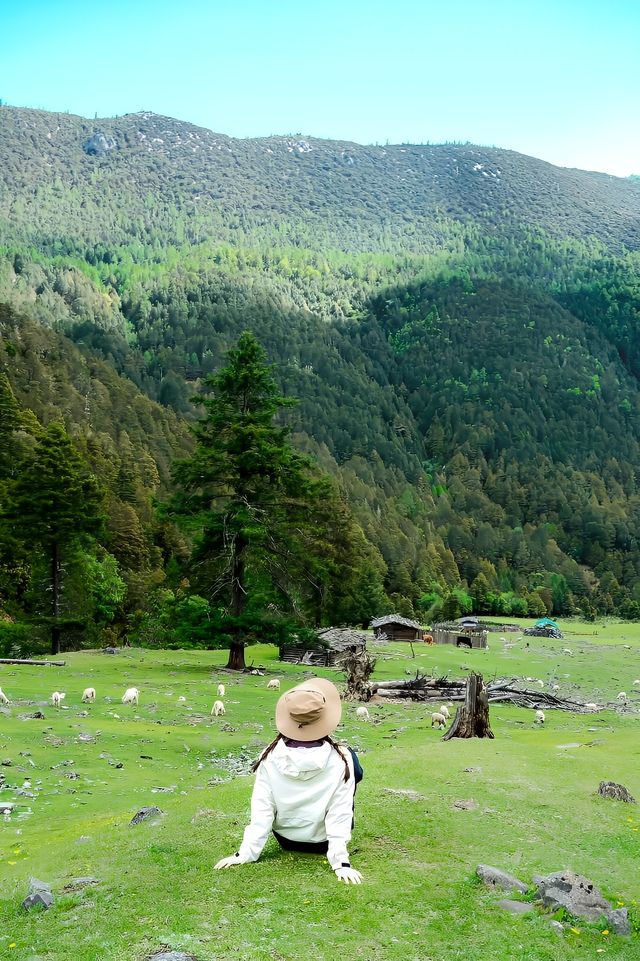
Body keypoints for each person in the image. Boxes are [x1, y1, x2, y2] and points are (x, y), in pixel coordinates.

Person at [214, 677, 363, 884]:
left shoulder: (268, 756)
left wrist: (245, 853)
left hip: (286, 840)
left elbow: (262, 809)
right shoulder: (343, 758)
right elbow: (341, 811)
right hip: (322, 841)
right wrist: (341, 863)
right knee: (354, 773)